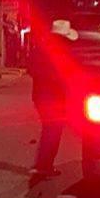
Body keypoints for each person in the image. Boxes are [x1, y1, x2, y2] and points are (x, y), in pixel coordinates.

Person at [29, 19, 78, 178]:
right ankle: (44, 165)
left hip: (40, 96)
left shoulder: (40, 50)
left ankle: (43, 164)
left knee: (50, 129)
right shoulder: (62, 53)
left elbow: (31, 69)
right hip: (54, 97)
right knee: (53, 130)